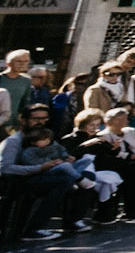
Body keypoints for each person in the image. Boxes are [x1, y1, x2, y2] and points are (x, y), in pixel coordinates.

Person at [4, 101, 90, 238]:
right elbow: (6, 168)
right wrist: (39, 168)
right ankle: (34, 228)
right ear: (23, 120)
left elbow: (56, 153)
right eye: (36, 119)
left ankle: (73, 221)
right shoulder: (14, 141)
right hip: (19, 180)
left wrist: (65, 159)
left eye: (44, 119)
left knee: (86, 175)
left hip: (45, 173)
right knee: (64, 181)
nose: (40, 122)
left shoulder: (45, 136)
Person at [0, 49, 32, 121]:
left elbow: (24, 102)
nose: (22, 64)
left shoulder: (26, 81)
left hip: (13, 121)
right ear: (9, 63)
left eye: (26, 61)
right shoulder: (1, 78)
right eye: (19, 61)